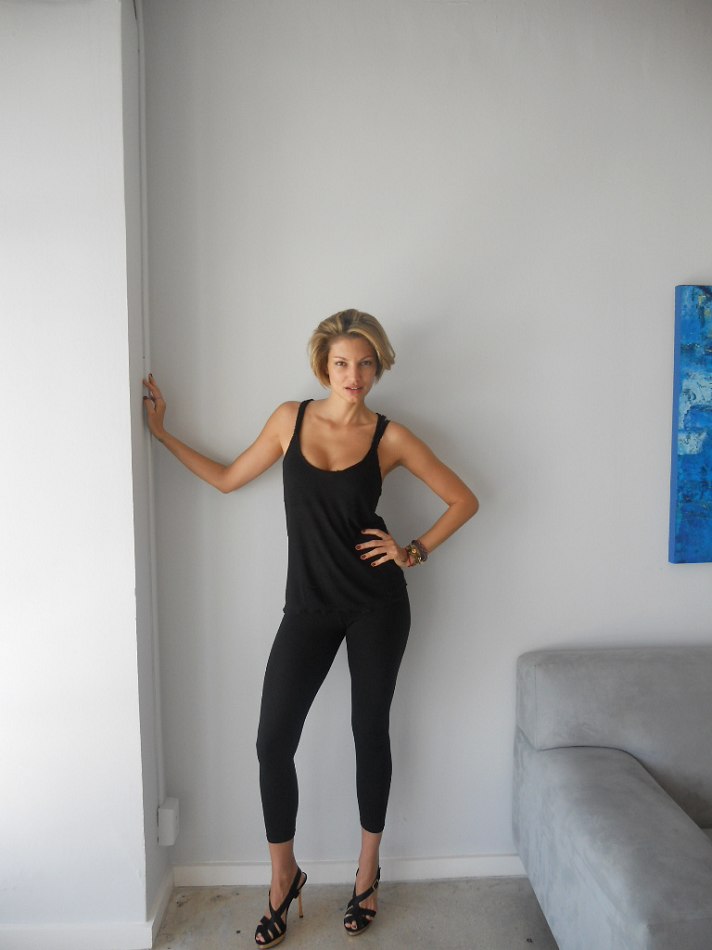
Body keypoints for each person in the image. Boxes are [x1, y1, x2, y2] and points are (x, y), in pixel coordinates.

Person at [143, 309, 478, 947]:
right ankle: (283, 876)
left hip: (377, 605)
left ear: (378, 367)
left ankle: (367, 873)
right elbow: (227, 479)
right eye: (343, 363)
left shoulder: (390, 437)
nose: (355, 375)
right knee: (272, 742)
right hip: (308, 608)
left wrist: (412, 550)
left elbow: (464, 499)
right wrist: (163, 434)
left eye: (366, 363)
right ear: (324, 365)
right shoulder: (288, 420)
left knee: (368, 732)